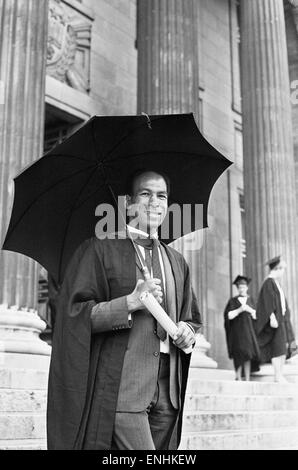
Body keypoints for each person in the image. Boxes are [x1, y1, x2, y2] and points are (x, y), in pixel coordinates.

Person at [47, 169, 202, 450]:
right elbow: (73, 315)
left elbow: (192, 318)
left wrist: (187, 332)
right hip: (124, 388)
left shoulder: (178, 261)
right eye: (145, 193)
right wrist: (129, 302)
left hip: (169, 392)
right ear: (129, 203)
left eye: (161, 195)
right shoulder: (99, 249)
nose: (154, 201)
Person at [256, 256, 297, 383]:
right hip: (275, 322)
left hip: (281, 321)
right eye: (282, 269)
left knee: (282, 349)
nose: (283, 272)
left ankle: (280, 374)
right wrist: (272, 317)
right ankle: (277, 375)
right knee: (277, 348)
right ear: (277, 269)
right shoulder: (269, 283)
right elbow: (268, 302)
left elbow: (281, 303)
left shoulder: (275, 283)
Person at [224, 275, 260, 381]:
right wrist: (239, 310)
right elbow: (228, 316)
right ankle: (238, 377)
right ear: (237, 288)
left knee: (248, 354)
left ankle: (247, 378)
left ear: (247, 288)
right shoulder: (233, 301)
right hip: (237, 333)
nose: (241, 289)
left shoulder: (252, 300)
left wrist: (250, 310)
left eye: (243, 287)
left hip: (249, 332)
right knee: (238, 354)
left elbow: (257, 316)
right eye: (239, 287)